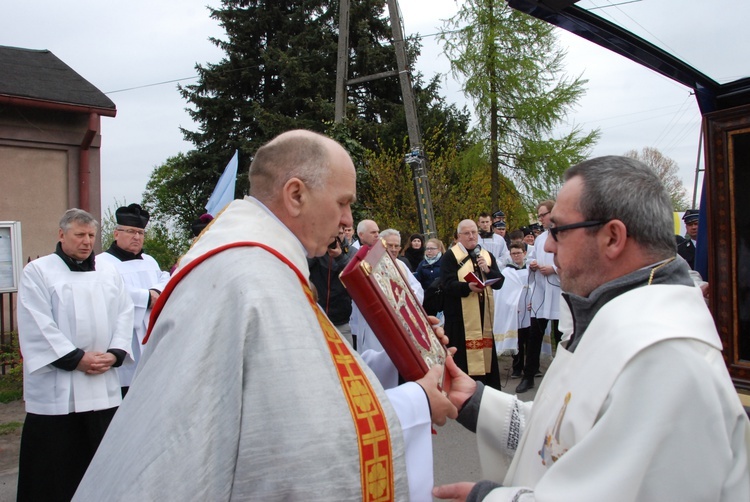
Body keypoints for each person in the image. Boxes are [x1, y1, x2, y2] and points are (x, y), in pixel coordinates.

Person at [74, 130, 456, 501]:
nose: (346, 220)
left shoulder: (265, 262)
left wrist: (401, 355)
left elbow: (312, 374)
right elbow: (303, 441)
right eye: (342, 202)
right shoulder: (252, 277)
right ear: (295, 195)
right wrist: (416, 402)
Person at [433, 156, 750, 502]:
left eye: (558, 230)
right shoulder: (614, 320)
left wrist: (489, 498)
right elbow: (569, 433)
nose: (549, 245)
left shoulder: (663, 358)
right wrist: (478, 404)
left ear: (612, 238)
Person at [16, 208, 134, 501]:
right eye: (79, 235)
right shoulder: (39, 271)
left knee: (102, 463)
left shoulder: (109, 271)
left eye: (91, 235)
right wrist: (75, 358)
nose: (86, 241)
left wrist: (115, 353)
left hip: (102, 383)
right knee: (56, 468)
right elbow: (36, 321)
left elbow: (124, 312)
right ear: (61, 234)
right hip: (59, 389)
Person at [97, 203, 171, 396]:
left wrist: (155, 291)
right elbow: (109, 291)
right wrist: (146, 297)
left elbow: (164, 278)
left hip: (151, 332)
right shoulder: (102, 263)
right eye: (130, 231)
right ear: (116, 233)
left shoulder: (149, 261)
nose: (136, 237)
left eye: (140, 232)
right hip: (125, 336)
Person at [441, 219, 504, 390]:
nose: (471, 236)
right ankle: (464, 389)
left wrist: (488, 270)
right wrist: (467, 287)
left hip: (483, 316)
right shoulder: (450, 256)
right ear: (459, 236)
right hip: (461, 317)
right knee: (463, 356)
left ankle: (488, 386)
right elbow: (446, 285)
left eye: (474, 232)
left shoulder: (485, 255)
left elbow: (499, 283)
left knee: (485, 352)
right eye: (467, 233)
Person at [518, 200, 560, 394]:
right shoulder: (541, 238)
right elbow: (531, 258)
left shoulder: (565, 234)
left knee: (561, 336)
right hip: (542, 293)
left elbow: (574, 262)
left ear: (553, 213)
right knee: (534, 335)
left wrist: (554, 269)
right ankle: (529, 375)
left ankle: (562, 377)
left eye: (543, 214)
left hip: (559, 292)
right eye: (539, 215)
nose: (540, 218)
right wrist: (534, 265)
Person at [308, 227, 355, 346]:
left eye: (340, 234)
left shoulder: (352, 252)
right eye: (333, 234)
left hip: (341, 322)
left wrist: (340, 257)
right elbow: (303, 267)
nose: (336, 238)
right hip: (316, 319)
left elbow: (353, 277)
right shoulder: (317, 250)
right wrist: (318, 249)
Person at [493, 242, 532, 379]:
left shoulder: (531, 269)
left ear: (524, 253)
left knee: (531, 340)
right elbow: (503, 294)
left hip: (530, 308)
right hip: (515, 310)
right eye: (513, 253)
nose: (516, 256)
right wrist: (511, 305)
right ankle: (517, 367)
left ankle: (532, 367)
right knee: (518, 340)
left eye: (518, 253)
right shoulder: (507, 272)